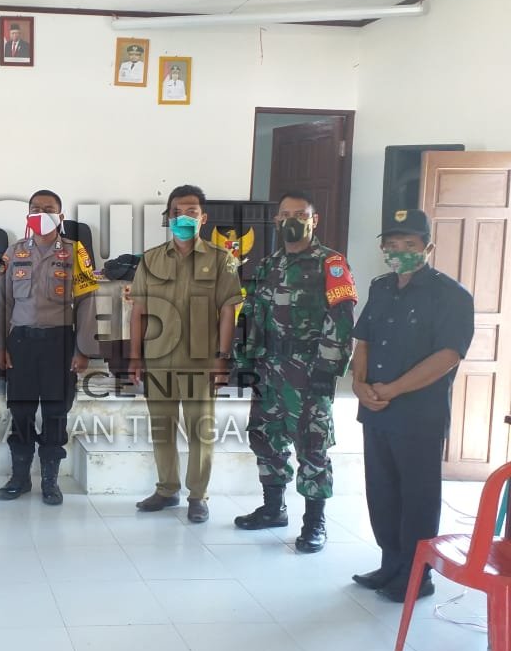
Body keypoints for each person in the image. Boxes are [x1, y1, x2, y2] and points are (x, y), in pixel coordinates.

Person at [351, 208, 473, 602]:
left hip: (419, 414)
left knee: (417, 496)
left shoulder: (451, 295)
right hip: (376, 410)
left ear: (427, 248)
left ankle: (418, 575)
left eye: (409, 244)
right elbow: (364, 340)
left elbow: (448, 355)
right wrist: (359, 383)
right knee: (381, 491)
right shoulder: (381, 287)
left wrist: (393, 389)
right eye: (392, 244)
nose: (399, 251)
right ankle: (391, 564)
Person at [233, 191, 356, 553]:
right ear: (277, 220)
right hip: (268, 368)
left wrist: (328, 368)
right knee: (266, 437)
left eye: (300, 214)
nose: (292, 220)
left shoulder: (331, 263)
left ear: (313, 220)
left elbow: (342, 318)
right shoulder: (268, 264)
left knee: (312, 446)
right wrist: (244, 360)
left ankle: (315, 522)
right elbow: (251, 314)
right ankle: (274, 509)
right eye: (285, 214)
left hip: (308, 370)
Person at [130, 185, 242, 523]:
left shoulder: (222, 259)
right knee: (162, 428)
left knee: (200, 431)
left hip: (201, 360)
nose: (183, 218)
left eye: (191, 212)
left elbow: (228, 310)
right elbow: (138, 311)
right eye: (177, 212)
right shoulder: (150, 259)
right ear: (168, 217)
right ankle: (167, 489)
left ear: (203, 218)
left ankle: (197, 495)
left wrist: (222, 357)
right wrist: (135, 357)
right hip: (158, 358)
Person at [0, 190, 98, 505]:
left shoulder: (76, 252)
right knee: (21, 411)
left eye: (48, 209)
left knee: (55, 412)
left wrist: (83, 349)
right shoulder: (14, 252)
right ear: (28, 214)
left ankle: (50, 481)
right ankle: (20, 478)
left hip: (59, 343)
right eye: (35, 208)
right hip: (21, 343)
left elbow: (87, 302)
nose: (41, 213)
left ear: (60, 216)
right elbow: (2, 301)